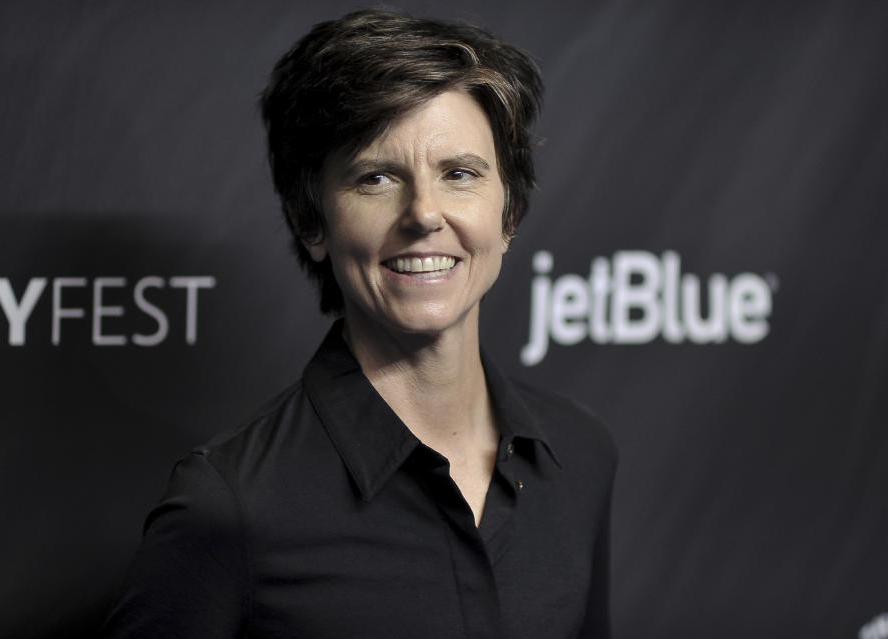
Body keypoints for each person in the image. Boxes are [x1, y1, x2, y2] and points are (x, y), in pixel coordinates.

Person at [101, 8, 616, 638]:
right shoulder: (228, 505)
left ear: (508, 212)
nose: (424, 214)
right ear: (311, 221)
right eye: (376, 178)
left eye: (459, 174)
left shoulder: (580, 456)